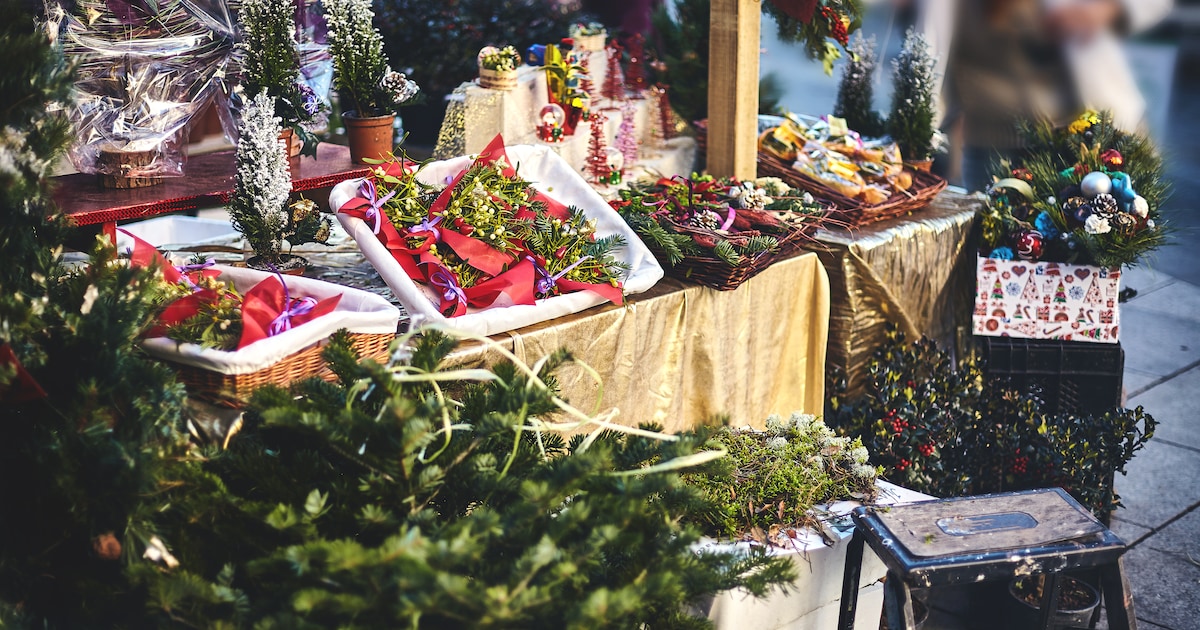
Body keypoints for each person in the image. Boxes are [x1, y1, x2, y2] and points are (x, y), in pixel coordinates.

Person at [915, 0, 1173, 190]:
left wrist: (1110, 8)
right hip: (987, 148)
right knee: (986, 252)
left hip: (1073, 143)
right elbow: (930, 59)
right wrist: (915, 140)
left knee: (1071, 256)